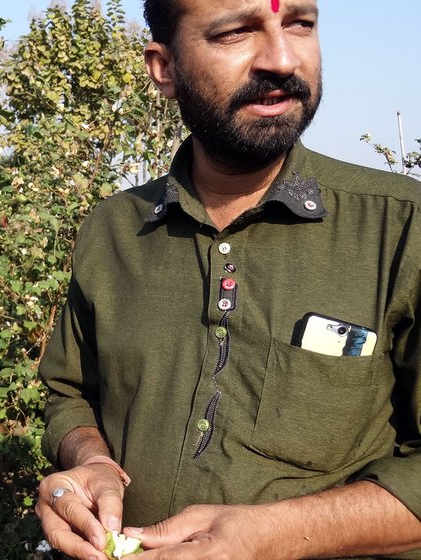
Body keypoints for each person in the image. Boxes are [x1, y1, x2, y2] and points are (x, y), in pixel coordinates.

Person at [35, 1, 421, 559]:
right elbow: (70, 394)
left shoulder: (402, 226)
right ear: (163, 68)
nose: (283, 60)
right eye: (236, 32)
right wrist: (88, 464)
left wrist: (275, 536)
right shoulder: (114, 229)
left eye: (300, 25)